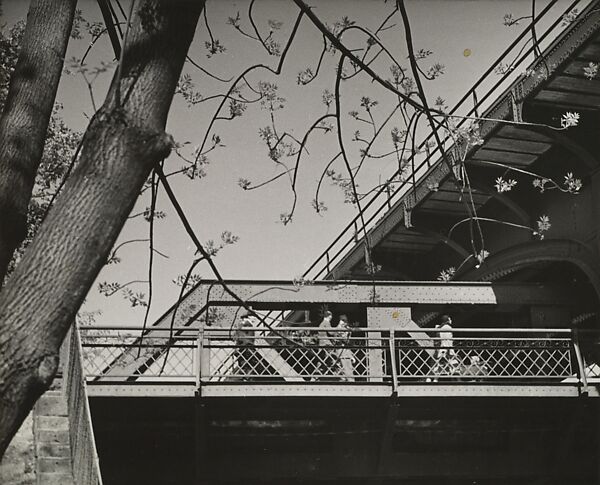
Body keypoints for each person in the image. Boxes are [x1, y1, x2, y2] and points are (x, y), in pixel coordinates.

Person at [233, 312, 257, 379]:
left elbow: (237, 337)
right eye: (254, 317)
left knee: (243, 363)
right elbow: (245, 337)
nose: (255, 319)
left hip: (242, 347)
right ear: (249, 317)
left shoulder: (241, 325)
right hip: (247, 347)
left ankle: (244, 376)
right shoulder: (248, 325)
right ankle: (248, 376)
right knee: (249, 363)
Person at [335, 314, 355, 382]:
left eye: (345, 321)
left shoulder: (344, 328)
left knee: (344, 367)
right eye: (343, 321)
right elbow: (344, 339)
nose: (345, 323)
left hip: (344, 350)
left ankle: (344, 380)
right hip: (343, 350)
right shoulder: (339, 328)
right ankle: (350, 381)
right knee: (346, 366)